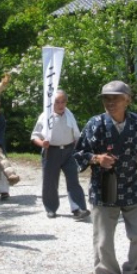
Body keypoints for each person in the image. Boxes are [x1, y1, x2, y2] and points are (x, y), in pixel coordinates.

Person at [73, 80, 137, 274]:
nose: (110, 102)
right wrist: (96, 158)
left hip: (132, 186)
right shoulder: (95, 124)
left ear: (127, 100)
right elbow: (79, 153)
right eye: (106, 98)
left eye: (116, 98)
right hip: (104, 187)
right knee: (103, 239)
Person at [31, 90, 90, 220]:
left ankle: (78, 208)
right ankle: (51, 208)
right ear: (52, 103)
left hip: (69, 151)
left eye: (63, 101)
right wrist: (42, 144)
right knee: (50, 182)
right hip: (51, 151)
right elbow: (34, 136)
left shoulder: (69, 115)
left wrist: (76, 148)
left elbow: (76, 134)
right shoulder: (45, 116)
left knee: (73, 180)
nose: (60, 104)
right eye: (57, 102)